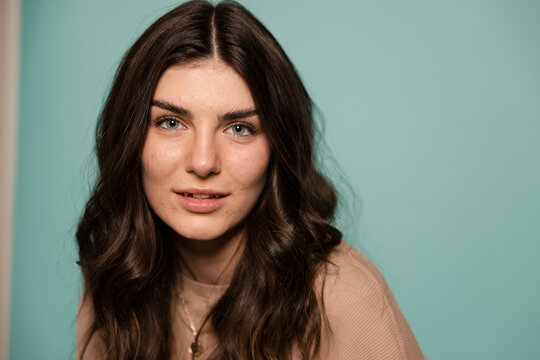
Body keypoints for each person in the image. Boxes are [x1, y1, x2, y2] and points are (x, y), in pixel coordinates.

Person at [75, 1, 424, 359]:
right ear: (128, 135)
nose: (203, 161)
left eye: (240, 128)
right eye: (171, 123)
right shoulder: (118, 269)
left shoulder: (345, 301)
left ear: (278, 147)